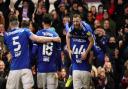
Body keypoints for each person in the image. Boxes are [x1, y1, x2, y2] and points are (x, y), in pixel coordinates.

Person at [4, 14, 61, 89]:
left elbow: (7, 48)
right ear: (18, 22)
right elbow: (38, 39)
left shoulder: (7, 35)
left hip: (14, 68)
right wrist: (53, 39)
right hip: (26, 67)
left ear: (9, 23)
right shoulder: (25, 31)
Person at [32, 14, 61, 89]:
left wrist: (32, 64)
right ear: (51, 23)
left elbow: (33, 52)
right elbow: (58, 54)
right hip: (52, 69)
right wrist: (59, 69)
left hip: (41, 68)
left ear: (42, 23)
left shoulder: (38, 34)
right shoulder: (56, 35)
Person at [66, 14, 94, 89]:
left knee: (92, 50)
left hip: (89, 38)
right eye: (74, 21)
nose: (75, 23)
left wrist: (87, 52)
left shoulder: (86, 29)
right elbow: (67, 36)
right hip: (76, 66)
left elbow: (92, 41)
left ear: (80, 21)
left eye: (77, 21)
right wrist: (69, 49)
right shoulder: (72, 27)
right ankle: (70, 76)